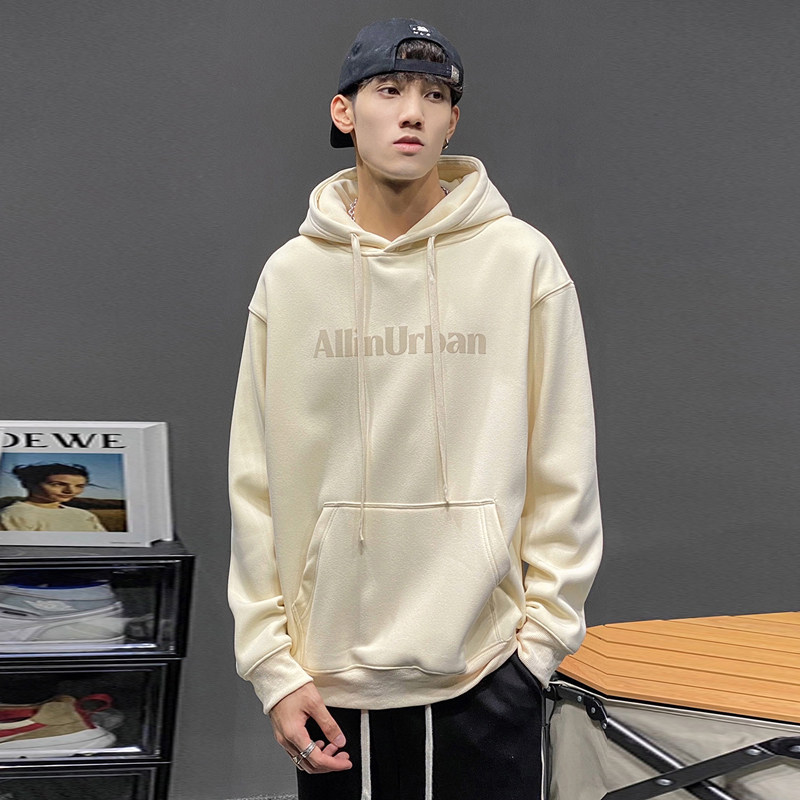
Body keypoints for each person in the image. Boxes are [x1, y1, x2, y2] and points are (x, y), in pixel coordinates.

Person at [228, 18, 603, 800]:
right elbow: (254, 481)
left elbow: (564, 462)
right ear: (344, 111)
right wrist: (271, 665)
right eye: (389, 90)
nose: (412, 112)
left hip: (488, 670)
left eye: (435, 96)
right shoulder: (291, 278)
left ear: (453, 120)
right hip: (328, 681)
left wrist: (539, 648)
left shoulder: (522, 263)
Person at [0, 463, 107, 532]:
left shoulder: (83, 515)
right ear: (27, 484)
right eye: (58, 484)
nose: (70, 491)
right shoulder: (14, 514)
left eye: (79, 486)